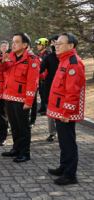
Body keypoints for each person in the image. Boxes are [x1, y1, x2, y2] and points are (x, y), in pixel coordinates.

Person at [47, 33, 85, 185]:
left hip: (65, 112)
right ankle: (63, 167)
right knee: (63, 141)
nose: (56, 45)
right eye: (56, 43)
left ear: (71, 46)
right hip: (59, 109)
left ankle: (70, 175)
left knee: (68, 142)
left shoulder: (73, 63)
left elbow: (73, 91)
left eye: (60, 43)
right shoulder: (64, 60)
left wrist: (67, 112)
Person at [0, 33, 40, 163]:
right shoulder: (10, 57)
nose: (13, 44)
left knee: (23, 127)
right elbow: (0, 70)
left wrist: (29, 101)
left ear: (25, 45)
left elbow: (32, 82)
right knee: (14, 126)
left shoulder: (32, 59)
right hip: (9, 96)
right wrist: (2, 62)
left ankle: (25, 153)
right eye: (13, 41)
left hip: (21, 99)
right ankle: (16, 149)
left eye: (16, 42)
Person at [41, 35, 60, 142]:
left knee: (61, 112)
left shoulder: (66, 57)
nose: (54, 44)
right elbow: (40, 69)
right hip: (50, 89)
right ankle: (52, 133)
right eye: (52, 43)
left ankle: (61, 132)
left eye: (56, 42)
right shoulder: (49, 57)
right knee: (50, 112)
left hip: (63, 90)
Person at [35, 38, 51, 115]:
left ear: (44, 45)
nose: (37, 46)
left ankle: (45, 109)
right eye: (37, 44)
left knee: (45, 94)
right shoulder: (39, 54)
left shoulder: (47, 54)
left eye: (39, 44)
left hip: (46, 78)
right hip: (40, 77)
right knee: (41, 93)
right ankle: (42, 108)